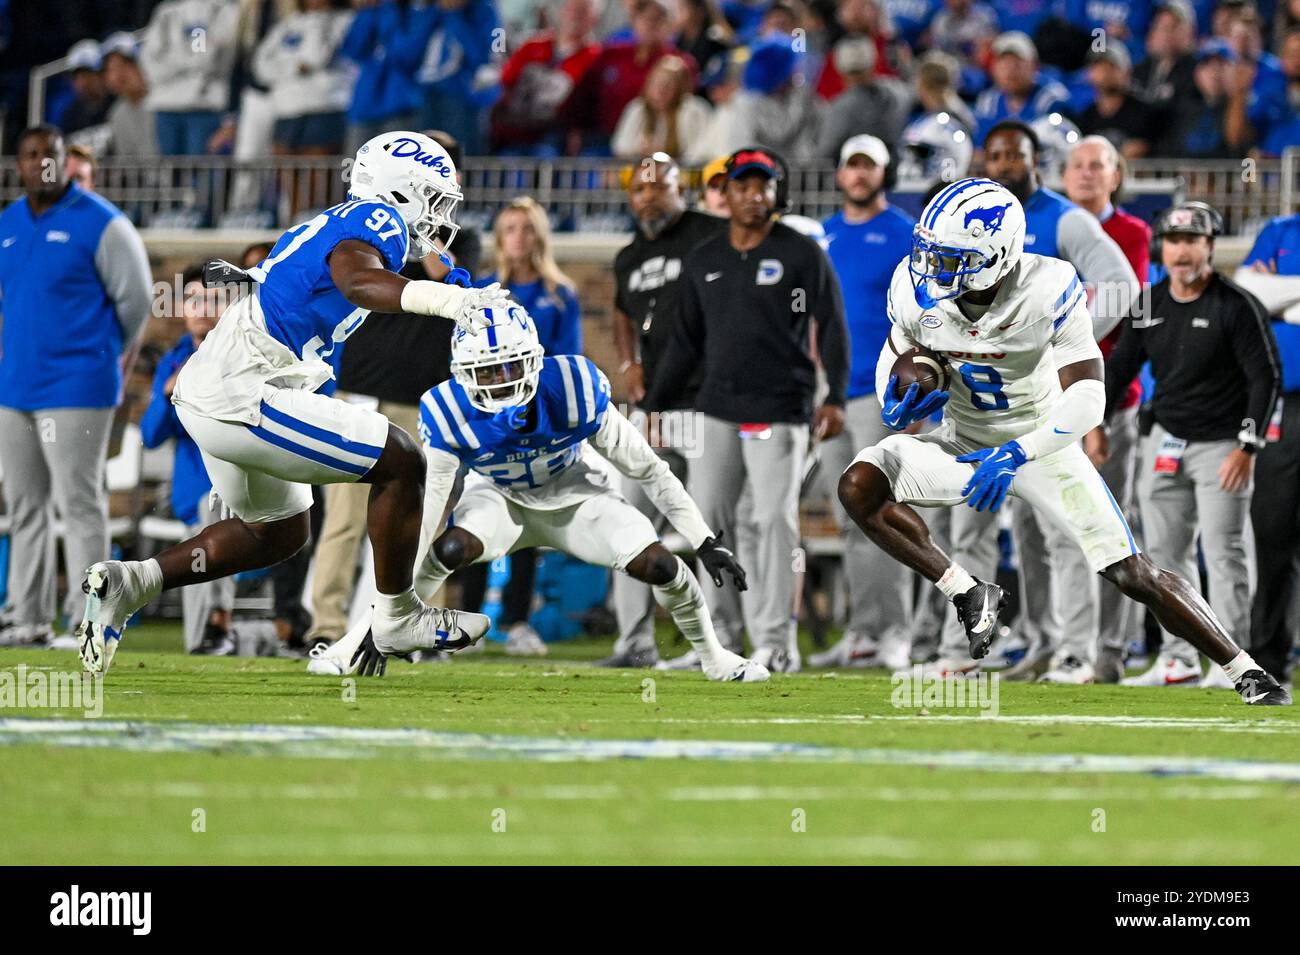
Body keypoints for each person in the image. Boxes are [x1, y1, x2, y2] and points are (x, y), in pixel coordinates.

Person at [836, 178, 1290, 706]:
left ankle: (1245, 669)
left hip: (1041, 442)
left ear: (998, 253)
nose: (934, 268)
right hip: (962, 440)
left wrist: (1017, 453)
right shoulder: (916, 291)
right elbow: (894, 356)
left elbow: (1089, 401)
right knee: (860, 485)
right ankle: (968, 592)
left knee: (1130, 571)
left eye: (952, 257)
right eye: (933, 253)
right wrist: (895, 396)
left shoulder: (1048, 286)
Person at [73, 131, 509, 676]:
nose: (442, 216)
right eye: (435, 199)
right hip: (245, 388)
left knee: (278, 532)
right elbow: (359, 280)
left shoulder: (339, 218)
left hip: (221, 387)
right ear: (402, 190)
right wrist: (448, 300)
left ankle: (130, 583)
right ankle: (396, 615)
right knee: (403, 461)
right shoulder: (380, 221)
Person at [308, 307, 770, 685]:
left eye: (509, 366)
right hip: (499, 499)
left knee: (661, 565)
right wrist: (379, 618)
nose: (499, 382)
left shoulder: (573, 387)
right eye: (485, 371)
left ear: (534, 358)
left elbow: (648, 468)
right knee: (446, 548)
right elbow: (428, 513)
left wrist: (703, 540)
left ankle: (714, 656)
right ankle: (361, 639)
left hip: (577, 495)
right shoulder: (447, 410)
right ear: (461, 373)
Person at [942, 119, 1138, 684]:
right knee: (1024, 533)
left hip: (1045, 403)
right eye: (995, 155)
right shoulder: (967, 220)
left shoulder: (1063, 217)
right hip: (987, 403)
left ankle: (1079, 648)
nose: (1004, 164)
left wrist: (1064, 349)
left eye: (1015, 155)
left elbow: (1122, 285)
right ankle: (1043, 642)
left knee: (1063, 527)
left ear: (1035, 161)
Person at [645, 146, 850, 673]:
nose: (753, 195)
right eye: (743, 185)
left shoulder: (801, 254)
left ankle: (776, 641)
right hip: (717, 407)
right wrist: (654, 403)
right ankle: (718, 641)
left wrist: (835, 396)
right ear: (726, 193)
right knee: (707, 522)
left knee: (772, 521)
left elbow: (827, 323)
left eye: (763, 186)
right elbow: (685, 342)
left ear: (776, 193)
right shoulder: (706, 259)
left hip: (778, 409)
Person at [305, 131, 482, 651]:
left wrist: (429, 233)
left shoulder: (455, 236)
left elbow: (446, 279)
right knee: (342, 516)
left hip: (418, 394)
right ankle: (328, 624)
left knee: (421, 517)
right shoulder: (361, 228)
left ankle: (414, 623)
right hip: (358, 386)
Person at [1107, 201, 1282, 689]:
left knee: (1224, 551)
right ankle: (1178, 658)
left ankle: (1235, 662)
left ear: (1210, 246)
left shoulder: (1236, 304)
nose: (1182, 250)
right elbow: (1120, 367)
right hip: (1166, 437)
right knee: (1163, 556)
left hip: (1222, 444)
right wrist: (1095, 423)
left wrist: (1247, 446)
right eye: (1174, 240)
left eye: (1192, 240)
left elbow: (1264, 377)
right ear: (1163, 246)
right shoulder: (1148, 301)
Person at [0, 126, 152, 648]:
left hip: (78, 386)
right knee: (24, 506)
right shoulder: (8, 224)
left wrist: (99, 356)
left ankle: (92, 620)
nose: (41, 162)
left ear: (66, 162)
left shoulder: (103, 223)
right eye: (30, 154)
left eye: (50, 154)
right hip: (15, 386)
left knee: (80, 503)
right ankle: (28, 617)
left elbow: (136, 304)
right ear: (18, 164)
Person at [601, 152, 728, 668]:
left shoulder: (710, 235)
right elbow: (621, 314)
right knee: (626, 518)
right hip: (651, 409)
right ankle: (632, 642)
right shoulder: (629, 256)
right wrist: (628, 361)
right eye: (640, 188)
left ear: (683, 190)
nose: (649, 195)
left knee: (711, 523)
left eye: (660, 185)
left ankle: (716, 641)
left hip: (703, 404)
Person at [811, 135, 916, 669]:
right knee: (849, 518)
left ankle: (897, 630)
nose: (858, 174)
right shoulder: (823, 236)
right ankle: (863, 630)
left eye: (868, 166)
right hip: (831, 395)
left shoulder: (903, 232)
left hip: (882, 396)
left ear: (883, 172)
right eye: (850, 164)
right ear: (839, 173)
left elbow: (921, 317)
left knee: (887, 512)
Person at [1062, 134, 1152, 682]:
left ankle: (1111, 649)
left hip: (1109, 398)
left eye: (1099, 165)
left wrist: (1061, 347)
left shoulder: (1132, 234)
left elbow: (1121, 303)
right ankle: (1059, 643)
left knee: (1111, 526)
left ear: (1116, 176)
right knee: (1050, 528)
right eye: (1078, 165)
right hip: (1047, 400)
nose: (1088, 173)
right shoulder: (1046, 227)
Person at [140, 265, 236, 656]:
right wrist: (166, 393)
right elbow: (150, 436)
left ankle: (214, 631)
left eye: (212, 299)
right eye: (193, 299)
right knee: (202, 530)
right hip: (194, 491)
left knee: (208, 522)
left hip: (236, 487)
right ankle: (212, 638)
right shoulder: (175, 360)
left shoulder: (239, 352)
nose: (201, 308)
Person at [1232, 212, 1300, 684]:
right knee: (1271, 527)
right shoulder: (1279, 229)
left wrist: (1284, 295)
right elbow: (1249, 292)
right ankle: (1268, 657)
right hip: (1283, 402)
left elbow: (1270, 295)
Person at [252, 0, 357, 158]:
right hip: (286, 111)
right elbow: (261, 67)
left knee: (320, 177)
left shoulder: (346, 19)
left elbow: (316, 58)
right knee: (286, 173)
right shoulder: (289, 23)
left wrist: (318, 19)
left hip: (325, 111)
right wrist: (296, 67)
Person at [140, 0, 241, 156]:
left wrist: (171, 60)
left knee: (199, 173)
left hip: (201, 107)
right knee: (168, 174)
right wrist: (182, 63)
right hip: (165, 107)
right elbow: (151, 62)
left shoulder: (219, 10)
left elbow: (202, 59)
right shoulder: (166, 11)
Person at [815, 36, 912, 160]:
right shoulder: (900, 91)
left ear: (839, 69)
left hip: (858, 175)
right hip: (899, 168)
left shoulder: (841, 107)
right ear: (874, 62)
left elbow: (824, 154)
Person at [973, 32, 1071, 147]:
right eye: (1004, 63)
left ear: (1034, 65)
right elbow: (979, 149)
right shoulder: (988, 102)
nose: (1010, 70)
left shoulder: (1052, 100)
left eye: (1017, 62)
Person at [611, 55, 714, 164]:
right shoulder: (637, 108)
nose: (660, 92)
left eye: (667, 86)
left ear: (679, 89)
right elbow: (620, 146)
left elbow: (702, 149)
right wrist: (640, 148)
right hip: (646, 172)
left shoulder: (693, 109)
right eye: (656, 85)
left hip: (684, 173)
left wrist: (666, 155)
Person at [1077, 42, 1156, 159]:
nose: (1104, 73)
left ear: (1127, 72)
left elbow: (1139, 149)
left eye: (1111, 67)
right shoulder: (1087, 116)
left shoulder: (1144, 112)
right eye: (1099, 67)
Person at [101, 31, 160, 158]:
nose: (118, 75)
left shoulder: (164, 102)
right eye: (112, 69)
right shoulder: (117, 114)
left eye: (126, 65)